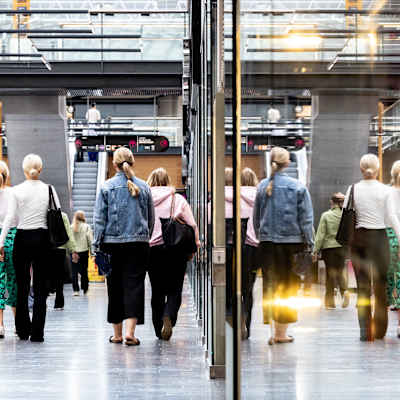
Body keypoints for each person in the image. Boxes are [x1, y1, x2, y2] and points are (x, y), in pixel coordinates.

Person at [93, 147, 154, 346]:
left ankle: (117, 334)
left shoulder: (106, 187)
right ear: (132, 162)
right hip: (138, 245)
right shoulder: (144, 187)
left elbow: (99, 220)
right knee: (135, 287)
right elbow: (150, 219)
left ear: (114, 164)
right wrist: (144, 236)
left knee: (115, 288)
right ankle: (130, 333)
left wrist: (96, 246)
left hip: (112, 245)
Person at [253, 147, 313, 345]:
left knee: (271, 286)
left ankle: (273, 330)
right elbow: (306, 220)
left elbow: (256, 219)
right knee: (288, 288)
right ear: (287, 163)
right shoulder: (297, 187)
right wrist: (310, 243)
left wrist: (262, 236)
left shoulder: (262, 186)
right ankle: (281, 332)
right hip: (292, 245)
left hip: (268, 244)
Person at [0, 154, 61, 342]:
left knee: (22, 285)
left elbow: (10, 219)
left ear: (24, 170)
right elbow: (57, 211)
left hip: (22, 238)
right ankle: (37, 333)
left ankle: (23, 329)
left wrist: (1, 242)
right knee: (41, 288)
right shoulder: (49, 189)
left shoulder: (17, 191)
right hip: (43, 239)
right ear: (40, 169)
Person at [147, 168, 199, 340]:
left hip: (152, 250)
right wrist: (195, 245)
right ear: (168, 180)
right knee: (175, 289)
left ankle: (157, 329)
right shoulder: (178, 199)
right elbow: (192, 225)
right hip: (177, 250)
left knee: (157, 290)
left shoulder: (145, 199)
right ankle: (168, 315)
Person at [345, 154, 390, 341]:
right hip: (380, 238)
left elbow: (346, 215)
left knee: (363, 287)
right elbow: (391, 216)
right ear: (378, 169)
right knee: (380, 287)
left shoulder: (353, 189)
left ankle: (365, 332)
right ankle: (380, 331)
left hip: (360, 240)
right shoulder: (386, 190)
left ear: (361, 169)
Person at [313, 192, 350, 309]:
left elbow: (320, 235)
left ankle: (330, 302)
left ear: (332, 202)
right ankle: (344, 292)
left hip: (329, 249)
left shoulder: (326, 215)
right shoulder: (347, 216)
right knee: (340, 271)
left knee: (330, 274)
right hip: (343, 248)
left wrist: (315, 250)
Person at [240, 168, 260, 339]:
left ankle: (233, 322)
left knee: (233, 287)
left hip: (236, 245)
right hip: (255, 248)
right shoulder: (261, 195)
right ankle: (246, 323)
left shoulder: (232, 195)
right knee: (248, 288)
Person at [0, 161, 17, 338]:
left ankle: (0, 325)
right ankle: (18, 323)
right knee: (13, 281)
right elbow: (15, 219)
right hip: (12, 238)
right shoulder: (13, 193)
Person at [385, 160, 400, 338]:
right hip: (395, 236)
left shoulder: (386, 193)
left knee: (393, 277)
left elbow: (389, 216)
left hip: (389, 238)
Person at [51, 212, 79, 310]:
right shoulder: (62, 215)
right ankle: (59, 303)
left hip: (45, 249)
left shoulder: (41, 213)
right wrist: (73, 250)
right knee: (59, 276)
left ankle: (42, 302)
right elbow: (68, 234)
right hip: (60, 248)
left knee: (43, 275)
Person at [70, 210, 93, 296]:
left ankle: (76, 290)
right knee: (84, 271)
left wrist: (71, 250)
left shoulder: (71, 226)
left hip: (74, 252)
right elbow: (90, 239)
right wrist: (92, 251)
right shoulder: (87, 227)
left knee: (74, 272)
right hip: (84, 251)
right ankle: (85, 288)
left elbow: (69, 240)